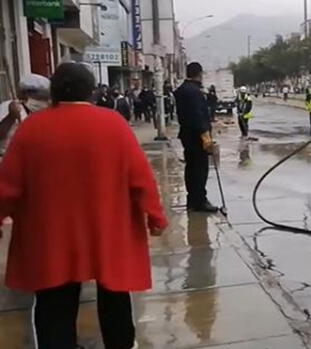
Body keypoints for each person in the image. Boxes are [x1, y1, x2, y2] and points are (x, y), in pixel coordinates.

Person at [0, 62, 168, 349]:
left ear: (54, 91)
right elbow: (141, 179)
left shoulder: (32, 130)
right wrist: (155, 217)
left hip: (52, 236)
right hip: (107, 232)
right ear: (91, 92)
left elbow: (8, 186)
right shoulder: (113, 124)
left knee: (54, 301)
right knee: (114, 295)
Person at [175, 62, 218, 213]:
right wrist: (206, 136)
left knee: (191, 168)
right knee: (200, 169)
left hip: (186, 135)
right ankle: (199, 201)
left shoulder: (181, 90)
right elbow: (198, 116)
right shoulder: (194, 92)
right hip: (196, 136)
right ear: (199, 74)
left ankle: (192, 200)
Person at [0, 74, 50, 155]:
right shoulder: (8, 106)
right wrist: (10, 117)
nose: (43, 100)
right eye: (39, 96)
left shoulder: (38, 114)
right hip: (5, 158)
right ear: (26, 94)